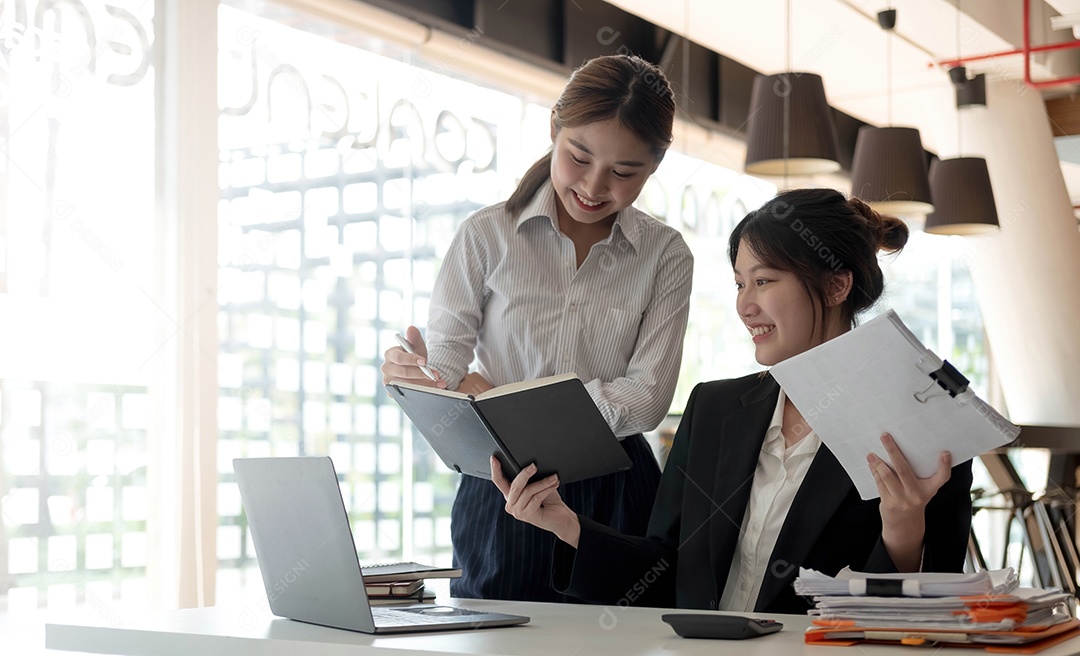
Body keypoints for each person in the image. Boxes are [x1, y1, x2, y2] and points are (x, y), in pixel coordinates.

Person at [492, 188, 974, 613]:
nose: (745, 305)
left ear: (835, 286)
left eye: (764, 281)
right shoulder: (714, 409)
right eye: (740, 284)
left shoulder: (920, 426)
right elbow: (664, 573)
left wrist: (902, 529)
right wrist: (567, 525)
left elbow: (928, 618)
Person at [381, 54, 694, 602]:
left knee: (620, 637)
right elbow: (444, 374)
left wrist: (503, 402)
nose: (594, 185)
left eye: (624, 172)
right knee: (495, 632)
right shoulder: (485, 235)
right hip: (502, 489)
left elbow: (647, 401)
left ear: (654, 166)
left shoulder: (665, 255)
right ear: (554, 129)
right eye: (579, 157)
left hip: (617, 491)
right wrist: (412, 374)